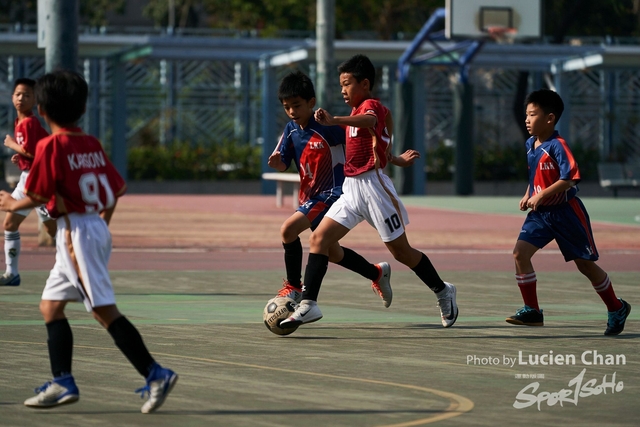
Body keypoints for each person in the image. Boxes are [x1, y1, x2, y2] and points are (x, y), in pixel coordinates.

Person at [0, 70, 177, 412]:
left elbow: (37, 194)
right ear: (82, 109)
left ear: (42, 110)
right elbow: (115, 191)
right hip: (88, 228)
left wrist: (11, 203)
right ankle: (62, 381)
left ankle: (156, 373)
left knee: (102, 310)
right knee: (50, 306)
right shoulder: (91, 143)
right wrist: (100, 226)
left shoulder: (52, 145)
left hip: (76, 235)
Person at [280, 55, 458, 329]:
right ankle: (309, 304)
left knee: (402, 253)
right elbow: (381, 148)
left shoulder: (370, 107)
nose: (342, 90)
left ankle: (443, 290)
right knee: (319, 240)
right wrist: (398, 159)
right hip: (351, 189)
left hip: (374, 188)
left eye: (347, 84)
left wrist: (334, 120)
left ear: (365, 83)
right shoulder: (355, 116)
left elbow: (369, 120)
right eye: (341, 85)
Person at [269, 71, 419, 307]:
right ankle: (376, 273)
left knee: (288, 230)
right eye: (287, 107)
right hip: (309, 197)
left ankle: (294, 288)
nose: (291, 112)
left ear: (311, 103)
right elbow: (282, 163)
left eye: (296, 105)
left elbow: (368, 143)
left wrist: (396, 159)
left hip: (333, 194)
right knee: (333, 253)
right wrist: (277, 162)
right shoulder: (290, 130)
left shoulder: (327, 125)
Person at [506, 89, 630, 336]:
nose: (527, 120)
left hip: (567, 213)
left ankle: (616, 307)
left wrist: (541, 195)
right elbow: (535, 176)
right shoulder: (531, 144)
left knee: (585, 265)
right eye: (526, 115)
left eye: (532, 115)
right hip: (541, 215)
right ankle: (532, 310)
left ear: (549, 118)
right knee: (520, 253)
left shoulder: (558, 146)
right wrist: (528, 192)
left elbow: (571, 178)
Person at [0, 78, 56, 286]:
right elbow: (31, 152)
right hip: (28, 178)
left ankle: (76, 264)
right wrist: (20, 157)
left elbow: (32, 151)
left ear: (35, 100)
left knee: (54, 231)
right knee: (10, 222)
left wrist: (12, 145)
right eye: (18, 94)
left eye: (27, 95)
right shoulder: (20, 122)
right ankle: (12, 273)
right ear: (12, 97)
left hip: (40, 180)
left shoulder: (29, 123)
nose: (21, 98)